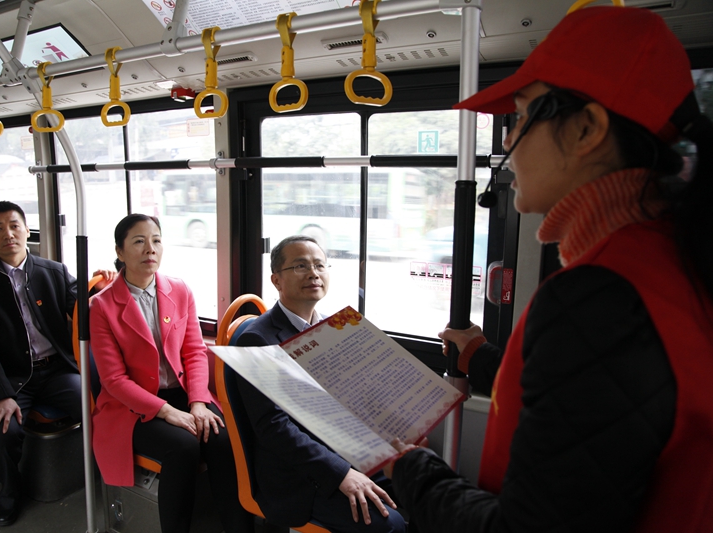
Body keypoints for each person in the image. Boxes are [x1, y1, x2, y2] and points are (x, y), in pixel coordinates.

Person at [383, 6, 713, 533]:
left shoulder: (598, 296)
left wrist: (414, 471)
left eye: (519, 118)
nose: (506, 145)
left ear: (587, 128)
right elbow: (598, 402)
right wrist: (481, 357)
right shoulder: (671, 260)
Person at [90, 214, 253, 533]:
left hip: (182, 392)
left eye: (156, 240)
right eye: (139, 241)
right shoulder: (102, 306)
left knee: (222, 439)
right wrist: (166, 411)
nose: (150, 249)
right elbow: (114, 380)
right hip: (132, 406)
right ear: (120, 252)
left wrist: (198, 403)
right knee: (184, 445)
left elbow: (194, 352)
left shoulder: (179, 290)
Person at [235, 235, 406, 533]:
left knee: (429, 494)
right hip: (300, 475)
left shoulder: (334, 327)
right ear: (276, 280)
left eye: (320, 265)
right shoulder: (257, 339)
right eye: (300, 266)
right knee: (389, 525)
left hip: (348, 453)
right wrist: (341, 473)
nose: (313, 273)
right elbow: (274, 427)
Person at [0, 201, 113, 527]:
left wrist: (104, 287)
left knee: (99, 407)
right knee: (1, 433)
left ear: (26, 230)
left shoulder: (52, 271)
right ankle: (9, 490)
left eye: (14, 225)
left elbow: (86, 310)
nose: (8, 234)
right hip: (13, 379)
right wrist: (1, 394)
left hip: (57, 370)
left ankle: (110, 473)